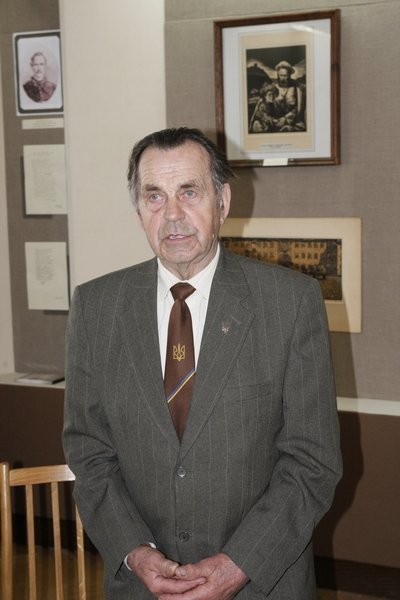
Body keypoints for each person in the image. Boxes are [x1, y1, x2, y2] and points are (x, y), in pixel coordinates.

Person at [63, 127, 342, 599]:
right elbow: (89, 452)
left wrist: (237, 566)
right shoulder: (96, 307)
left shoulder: (290, 302)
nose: (172, 215)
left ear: (223, 202)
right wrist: (135, 551)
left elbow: (312, 462)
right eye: (154, 196)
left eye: (189, 192)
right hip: (141, 585)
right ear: (138, 211)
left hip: (261, 582)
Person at [272, 61, 306, 132]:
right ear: (278, 75)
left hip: (292, 121)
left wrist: (285, 119)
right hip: (275, 120)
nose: (283, 78)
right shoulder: (273, 87)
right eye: (281, 75)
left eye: (285, 76)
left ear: (289, 75)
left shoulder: (296, 88)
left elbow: (296, 108)